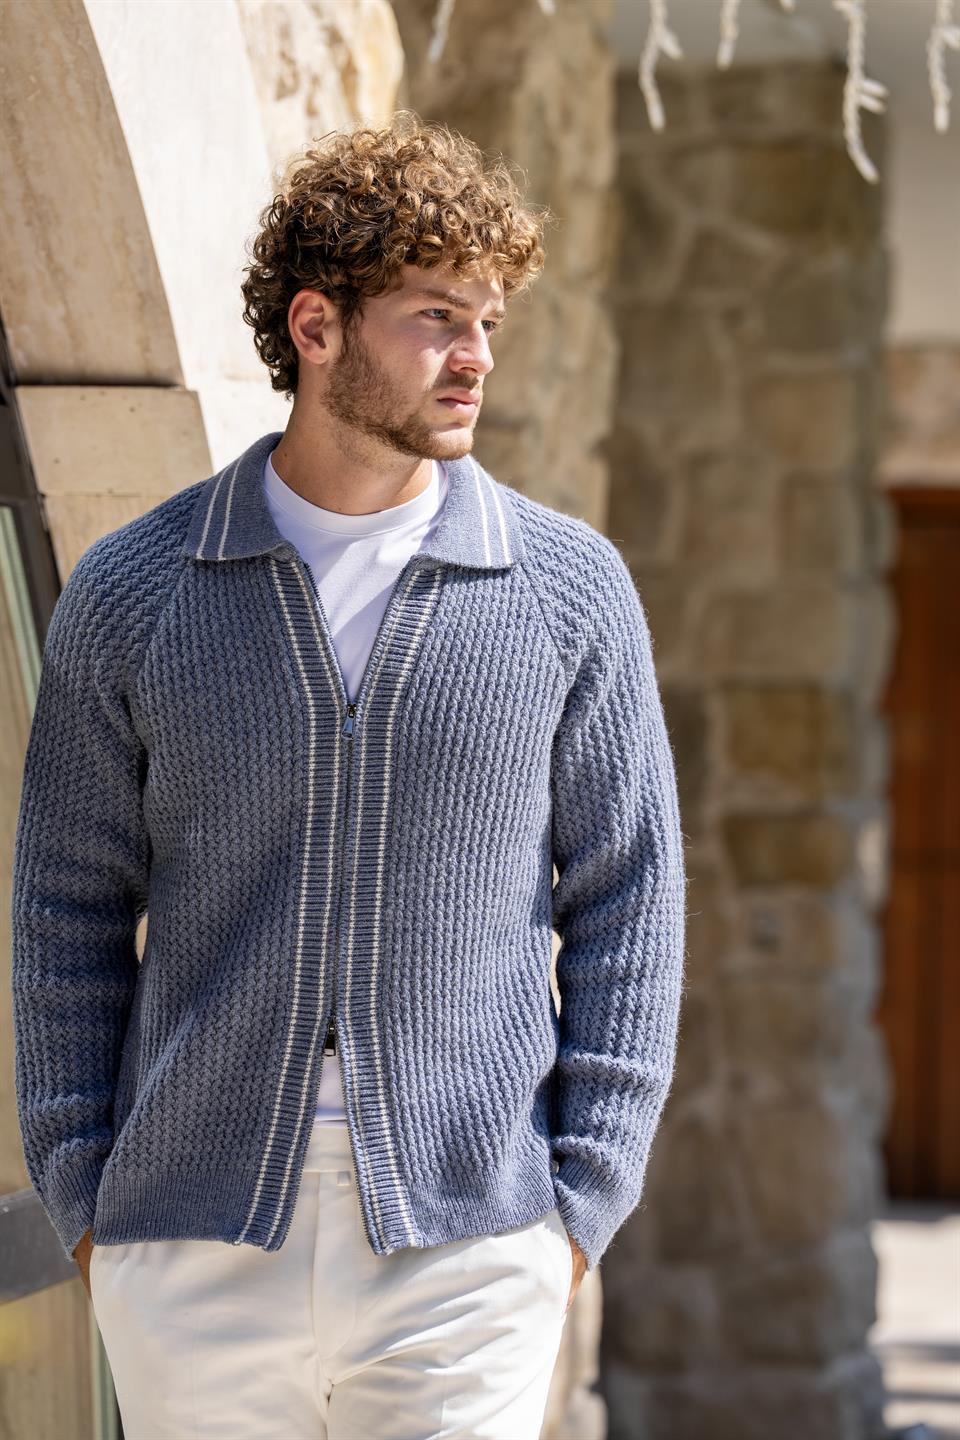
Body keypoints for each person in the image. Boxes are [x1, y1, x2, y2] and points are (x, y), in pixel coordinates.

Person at [11, 110, 687, 1439]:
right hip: (190, 1247)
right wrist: (88, 1203)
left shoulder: (566, 592)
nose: (475, 356)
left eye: (488, 320)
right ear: (315, 327)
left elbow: (632, 900)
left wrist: (578, 1210)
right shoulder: (137, 591)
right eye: (437, 316)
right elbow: (62, 912)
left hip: (469, 1248)